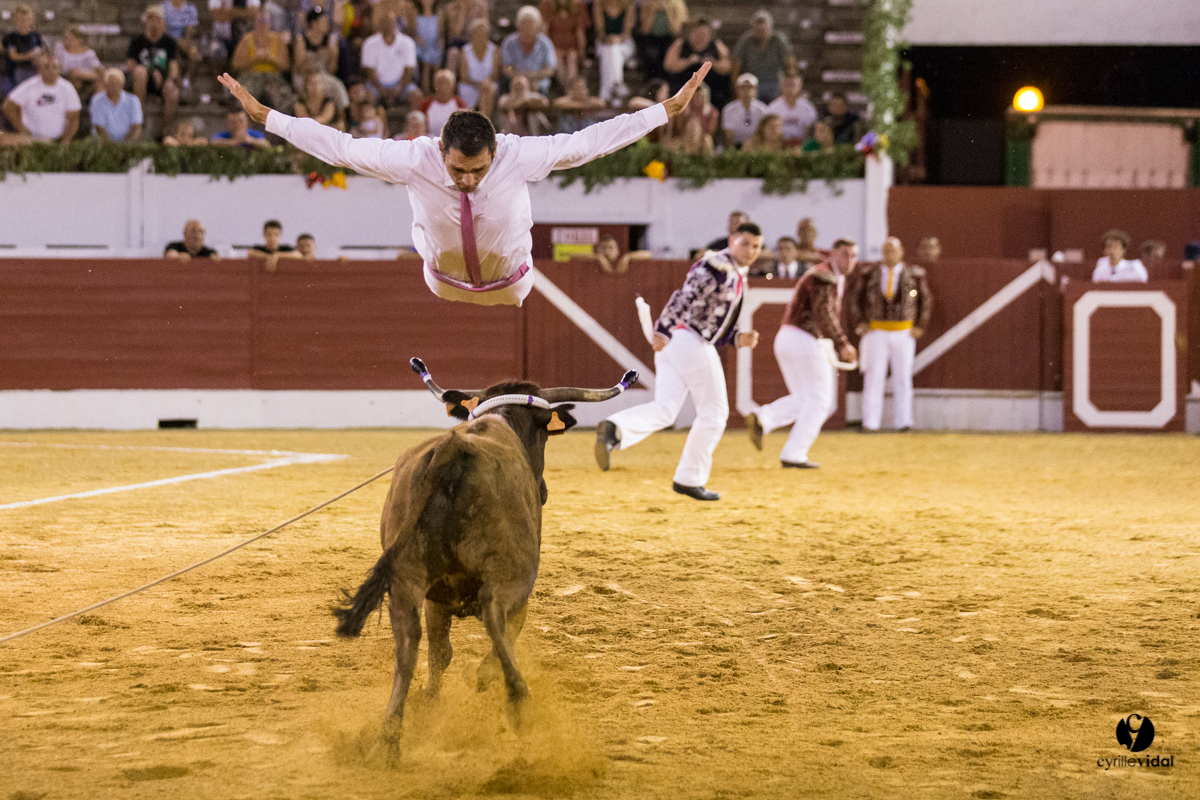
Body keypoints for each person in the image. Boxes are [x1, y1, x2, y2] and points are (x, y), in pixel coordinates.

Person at [219, 61, 713, 306]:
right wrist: (269, 117)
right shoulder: (415, 157)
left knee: (552, 177)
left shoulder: (519, 154)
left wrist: (664, 111)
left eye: (478, 169)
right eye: (458, 170)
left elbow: (593, 140)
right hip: (443, 282)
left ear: (495, 150)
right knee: (414, 220)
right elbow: (342, 148)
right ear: (441, 150)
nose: (469, 180)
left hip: (513, 284)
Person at [594, 222, 763, 500]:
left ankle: (616, 429)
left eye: (756, 246)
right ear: (732, 240)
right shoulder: (717, 266)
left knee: (666, 408)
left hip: (679, 341)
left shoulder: (731, 271)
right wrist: (663, 328)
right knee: (715, 413)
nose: (751, 251)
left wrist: (735, 338)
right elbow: (684, 297)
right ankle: (689, 478)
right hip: (689, 341)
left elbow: (707, 315)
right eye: (745, 243)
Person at [744, 238, 858, 469]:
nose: (851, 260)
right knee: (820, 400)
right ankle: (794, 453)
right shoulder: (824, 276)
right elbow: (823, 312)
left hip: (789, 337)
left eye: (854, 256)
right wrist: (842, 343)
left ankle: (763, 419)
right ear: (834, 254)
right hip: (805, 339)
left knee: (806, 398)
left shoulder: (826, 274)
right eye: (846, 254)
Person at [849, 236, 932, 433]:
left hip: (903, 332)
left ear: (901, 252)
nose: (890, 255)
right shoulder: (869, 273)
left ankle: (904, 422)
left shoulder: (914, 273)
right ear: (882, 253)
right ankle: (870, 422)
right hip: (876, 331)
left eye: (893, 251)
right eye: (886, 251)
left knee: (902, 378)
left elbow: (925, 300)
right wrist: (860, 322)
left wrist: (920, 325)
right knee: (873, 377)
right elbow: (855, 298)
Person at [126, 5, 181, 138]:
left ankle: (165, 132)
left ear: (163, 23)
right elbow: (130, 66)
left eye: (157, 20)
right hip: (141, 81)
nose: (154, 23)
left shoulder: (169, 43)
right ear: (146, 22)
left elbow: (174, 68)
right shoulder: (137, 41)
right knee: (140, 72)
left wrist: (170, 80)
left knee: (173, 92)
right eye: (151, 20)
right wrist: (151, 72)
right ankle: (138, 121)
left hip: (162, 81)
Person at [2, 55, 80, 144]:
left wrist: (65, 142)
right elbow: (8, 106)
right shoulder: (30, 86)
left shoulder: (67, 88)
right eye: (46, 66)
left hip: (57, 141)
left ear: (59, 69)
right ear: (40, 69)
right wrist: (22, 129)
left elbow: (74, 118)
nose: (50, 70)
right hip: (31, 141)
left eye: (54, 67)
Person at [664, 17, 731, 109]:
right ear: (691, 34)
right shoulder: (680, 44)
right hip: (682, 89)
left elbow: (727, 67)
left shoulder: (717, 45)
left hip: (711, 92)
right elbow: (668, 65)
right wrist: (688, 62)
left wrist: (713, 63)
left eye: (703, 35)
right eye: (697, 34)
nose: (700, 38)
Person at [360, 9, 422, 108]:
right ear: (380, 25)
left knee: (415, 95)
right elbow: (370, 71)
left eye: (391, 22)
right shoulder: (370, 43)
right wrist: (380, 89)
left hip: (401, 84)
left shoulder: (407, 42)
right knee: (367, 96)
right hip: (377, 85)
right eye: (385, 22)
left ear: (396, 23)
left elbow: (409, 70)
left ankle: (413, 122)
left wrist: (400, 87)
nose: (388, 25)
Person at [731, 10, 793, 103]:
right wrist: (735, 87)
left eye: (763, 29)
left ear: (770, 28)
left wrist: (789, 84)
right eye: (758, 29)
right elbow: (736, 64)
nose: (761, 32)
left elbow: (789, 62)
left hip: (774, 82)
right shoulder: (746, 41)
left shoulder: (779, 40)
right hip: (752, 83)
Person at [500, 6, 557, 97]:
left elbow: (550, 69)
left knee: (537, 91)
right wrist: (522, 78)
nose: (528, 26)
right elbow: (506, 67)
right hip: (515, 82)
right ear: (518, 24)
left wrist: (533, 77)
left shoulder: (545, 43)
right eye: (524, 23)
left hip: (538, 82)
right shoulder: (509, 42)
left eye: (531, 23)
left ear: (537, 25)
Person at [540, 0, 589, 92]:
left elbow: (580, 33)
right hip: (553, 48)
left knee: (572, 58)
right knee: (558, 59)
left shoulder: (578, 6)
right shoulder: (547, 4)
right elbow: (544, 33)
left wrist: (582, 54)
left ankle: (570, 91)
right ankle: (565, 90)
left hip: (572, 48)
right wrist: (546, 52)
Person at [593, 0, 635, 102]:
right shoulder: (599, 4)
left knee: (613, 50)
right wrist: (609, 40)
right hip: (604, 43)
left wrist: (616, 40)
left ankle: (605, 91)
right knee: (611, 51)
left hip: (624, 44)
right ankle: (617, 86)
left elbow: (627, 33)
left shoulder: (628, 5)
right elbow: (600, 32)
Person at [635, 0, 687, 82]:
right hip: (651, 38)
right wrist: (652, 11)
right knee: (651, 54)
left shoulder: (677, 4)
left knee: (667, 55)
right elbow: (645, 30)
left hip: (669, 38)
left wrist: (668, 11)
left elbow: (676, 31)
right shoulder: (646, 4)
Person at [456, 18, 497, 117]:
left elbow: (495, 74)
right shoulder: (465, 50)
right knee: (482, 90)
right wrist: (479, 84)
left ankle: (485, 120)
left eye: (483, 33)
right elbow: (464, 76)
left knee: (488, 90)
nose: (480, 35)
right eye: (477, 33)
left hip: (488, 84)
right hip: (470, 85)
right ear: (472, 34)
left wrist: (485, 83)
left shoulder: (494, 50)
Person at [90, 68, 144, 142]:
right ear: (105, 84)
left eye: (117, 83)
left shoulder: (133, 101)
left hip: (127, 144)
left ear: (122, 84)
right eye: (111, 83)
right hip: (104, 144)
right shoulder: (97, 100)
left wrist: (127, 146)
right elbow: (99, 128)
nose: (114, 86)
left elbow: (136, 127)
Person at [2, 3, 44, 97]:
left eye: (26, 20)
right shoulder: (11, 37)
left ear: (31, 21)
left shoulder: (35, 36)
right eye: (20, 20)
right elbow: (14, 56)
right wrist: (29, 55)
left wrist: (37, 58)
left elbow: (39, 52)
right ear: (15, 21)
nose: (23, 23)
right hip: (15, 70)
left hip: (33, 69)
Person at [53, 26, 104, 98]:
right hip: (63, 77)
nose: (67, 41)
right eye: (66, 38)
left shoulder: (88, 53)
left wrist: (80, 73)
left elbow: (98, 71)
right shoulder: (60, 48)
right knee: (72, 75)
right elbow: (55, 64)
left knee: (77, 75)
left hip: (83, 78)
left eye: (71, 39)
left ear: (79, 40)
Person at [442, 0, 488, 78]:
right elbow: (455, 33)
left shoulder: (481, 6)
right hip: (457, 44)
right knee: (453, 54)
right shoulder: (451, 7)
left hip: (474, 43)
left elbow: (483, 30)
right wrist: (462, 12)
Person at [767, 75, 816, 147]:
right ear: (781, 87)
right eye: (786, 84)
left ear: (800, 86)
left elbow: (810, 131)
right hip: (779, 144)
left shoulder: (808, 108)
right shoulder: (773, 107)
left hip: (802, 144)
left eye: (793, 84)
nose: (789, 88)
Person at [721, 73, 768, 148]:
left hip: (756, 145)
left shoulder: (763, 109)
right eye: (743, 87)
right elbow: (728, 135)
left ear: (755, 90)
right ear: (737, 90)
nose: (747, 90)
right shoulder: (729, 109)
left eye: (750, 87)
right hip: (736, 145)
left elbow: (763, 132)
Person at [161, 0, 201, 88]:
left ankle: (188, 83)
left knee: (194, 52)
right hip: (168, 42)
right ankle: (177, 86)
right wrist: (177, 42)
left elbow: (189, 33)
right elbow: (164, 32)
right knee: (175, 55)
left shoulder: (191, 8)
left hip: (183, 42)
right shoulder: (163, 7)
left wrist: (185, 43)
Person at [419, 68, 467, 136]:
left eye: (446, 82)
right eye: (440, 82)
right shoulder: (426, 103)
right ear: (434, 84)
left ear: (453, 85)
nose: (443, 86)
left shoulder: (459, 104)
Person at [572, 233, 650, 274]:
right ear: (596, 250)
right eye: (603, 248)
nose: (607, 251)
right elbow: (573, 255)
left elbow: (649, 254)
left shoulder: (623, 260)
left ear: (617, 251)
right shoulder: (595, 258)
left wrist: (628, 256)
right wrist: (598, 258)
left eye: (611, 248)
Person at [414, 0, 444, 93]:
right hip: (421, 47)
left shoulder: (439, 15)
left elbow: (441, 34)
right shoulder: (416, 14)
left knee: (435, 63)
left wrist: (439, 45)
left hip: (434, 46)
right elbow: (414, 33)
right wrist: (418, 40)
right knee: (426, 64)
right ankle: (426, 93)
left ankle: (437, 92)